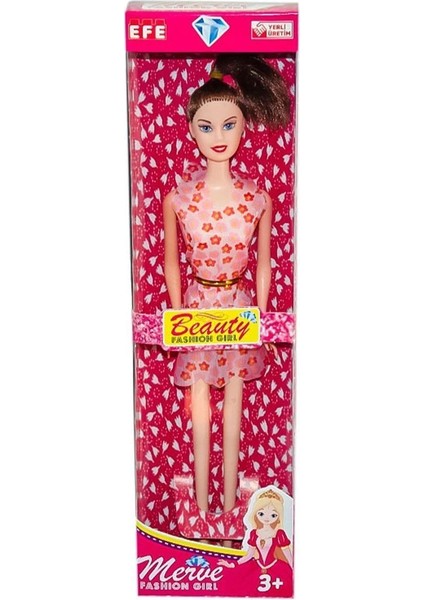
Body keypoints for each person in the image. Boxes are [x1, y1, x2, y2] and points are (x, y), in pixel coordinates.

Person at [163, 55, 291, 525]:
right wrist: (179, 316)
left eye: (229, 124)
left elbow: (263, 263)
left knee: (233, 403)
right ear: (191, 131)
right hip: (197, 306)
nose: (218, 136)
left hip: (239, 305)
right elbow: (171, 262)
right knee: (199, 407)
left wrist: (261, 317)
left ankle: (234, 511)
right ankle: (199, 512)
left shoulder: (257, 197)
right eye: (206, 126)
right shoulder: (178, 197)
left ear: (242, 129)